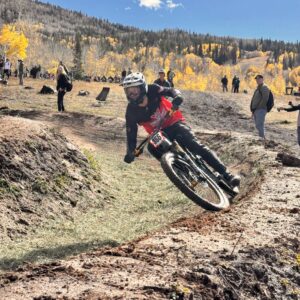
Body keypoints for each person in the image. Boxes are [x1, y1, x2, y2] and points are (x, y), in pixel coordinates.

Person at [121, 72, 240, 187]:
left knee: (195, 145)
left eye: (134, 89)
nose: (132, 93)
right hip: (158, 133)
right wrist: (130, 152)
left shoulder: (153, 89)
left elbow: (170, 90)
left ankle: (227, 175)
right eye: (128, 91)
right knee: (152, 147)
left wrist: (177, 97)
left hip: (173, 122)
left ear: (142, 87)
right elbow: (131, 134)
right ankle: (182, 173)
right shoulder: (130, 111)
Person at [250, 74, 270, 140]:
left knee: (259, 125)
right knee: (258, 125)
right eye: (256, 79)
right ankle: (262, 139)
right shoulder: (258, 88)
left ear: (262, 79)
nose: (257, 80)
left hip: (261, 109)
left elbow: (265, 99)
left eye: (259, 79)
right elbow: (255, 99)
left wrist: (259, 107)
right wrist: (253, 109)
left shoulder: (264, 87)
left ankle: (262, 140)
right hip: (256, 110)